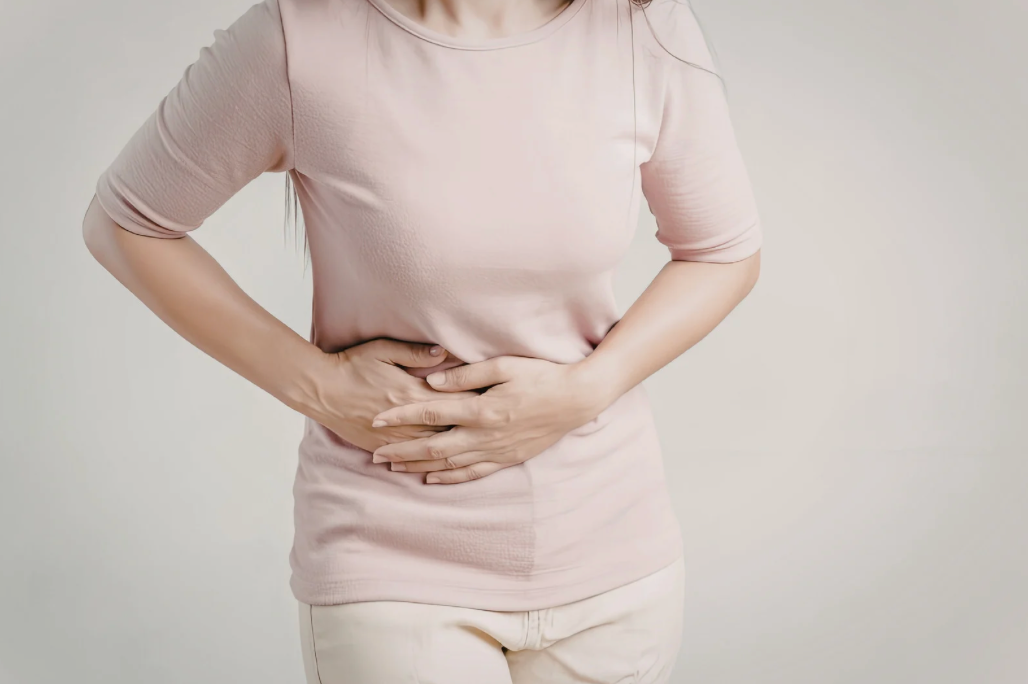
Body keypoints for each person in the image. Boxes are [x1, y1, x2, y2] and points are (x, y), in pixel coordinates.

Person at [82, 0, 763, 680]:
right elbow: (125, 223)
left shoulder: (642, 29)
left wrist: (588, 389)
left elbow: (723, 252)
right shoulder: (299, 38)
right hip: (393, 558)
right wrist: (316, 384)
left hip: (613, 554)